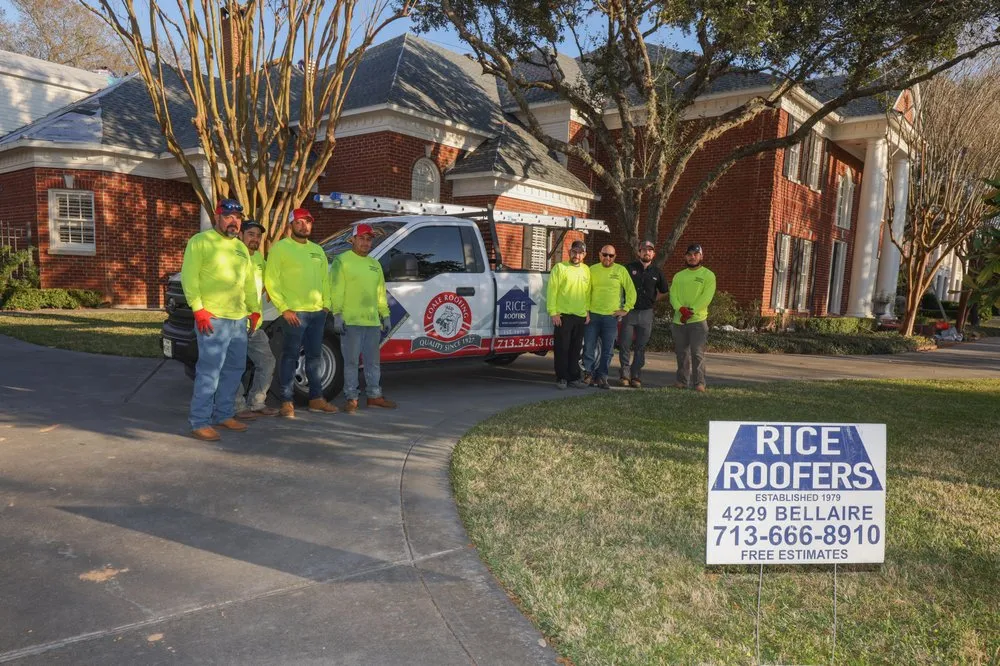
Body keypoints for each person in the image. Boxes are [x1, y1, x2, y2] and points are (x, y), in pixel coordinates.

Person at [181, 198, 261, 441]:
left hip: (238, 320)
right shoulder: (201, 241)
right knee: (209, 371)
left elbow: (247, 282)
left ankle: (224, 414)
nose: (233, 221)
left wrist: (254, 310)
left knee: (235, 369)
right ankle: (199, 421)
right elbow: (189, 277)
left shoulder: (240, 248)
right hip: (213, 319)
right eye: (228, 216)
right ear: (217, 217)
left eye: (237, 217)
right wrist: (198, 309)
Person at [264, 208, 337, 418]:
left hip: (317, 313)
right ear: (291, 225)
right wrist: (283, 308)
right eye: (299, 222)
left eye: (308, 222)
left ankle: (316, 399)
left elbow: (325, 280)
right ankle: (286, 401)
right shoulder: (281, 248)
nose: (304, 225)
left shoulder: (317, 250)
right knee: (290, 357)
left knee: (314, 357)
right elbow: (272, 280)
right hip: (294, 314)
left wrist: (326, 305)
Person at [328, 222, 396, 413]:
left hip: (372, 322)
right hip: (350, 322)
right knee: (351, 363)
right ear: (353, 240)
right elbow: (336, 289)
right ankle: (352, 398)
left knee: (373, 362)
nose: (366, 243)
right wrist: (338, 315)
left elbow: (380, 293)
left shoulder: (375, 265)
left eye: (369, 240)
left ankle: (374, 396)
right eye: (362, 239)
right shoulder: (342, 261)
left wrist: (385, 315)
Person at [234, 219, 279, 419]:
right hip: (234, 321)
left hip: (255, 324)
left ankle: (256, 402)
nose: (255, 238)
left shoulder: (259, 258)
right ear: (240, 235)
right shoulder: (233, 255)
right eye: (251, 234)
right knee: (235, 366)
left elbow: (268, 278)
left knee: (267, 361)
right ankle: (236, 406)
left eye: (258, 235)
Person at [583, 244, 636, 389]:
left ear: (615, 257)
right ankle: (588, 374)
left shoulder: (621, 270)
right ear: (600, 254)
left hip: (610, 318)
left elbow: (631, 291)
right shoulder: (592, 269)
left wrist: (625, 309)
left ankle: (602, 378)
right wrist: (586, 311)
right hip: (593, 315)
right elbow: (587, 292)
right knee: (588, 346)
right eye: (605, 254)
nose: (607, 258)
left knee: (608, 350)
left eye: (611, 255)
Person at [619, 240, 669, 388]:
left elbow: (664, 291)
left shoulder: (657, 272)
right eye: (644, 250)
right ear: (639, 252)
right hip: (629, 312)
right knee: (625, 344)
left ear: (653, 253)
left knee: (640, 346)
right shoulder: (628, 268)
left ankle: (636, 376)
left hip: (646, 313)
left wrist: (653, 300)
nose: (647, 252)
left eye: (650, 250)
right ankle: (624, 375)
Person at [669, 243, 716, 392]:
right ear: (685, 257)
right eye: (689, 254)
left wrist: (691, 311)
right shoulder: (679, 276)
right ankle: (682, 381)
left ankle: (699, 383)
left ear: (701, 256)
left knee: (697, 353)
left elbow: (706, 297)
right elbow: (673, 295)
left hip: (697, 321)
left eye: (695, 254)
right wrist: (680, 309)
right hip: (679, 321)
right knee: (681, 353)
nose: (692, 257)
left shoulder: (708, 275)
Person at [547, 239, 591, 389]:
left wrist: (587, 311)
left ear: (584, 255)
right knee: (562, 348)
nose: (576, 255)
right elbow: (552, 291)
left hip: (580, 316)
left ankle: (574, 377)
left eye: (580, 253)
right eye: (574, 252)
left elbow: (587, 293)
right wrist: (553, 313)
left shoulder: (586, 270)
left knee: (575, 349)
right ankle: (561, 378)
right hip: (563, 316)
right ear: (569, 252)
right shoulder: (560, 268)